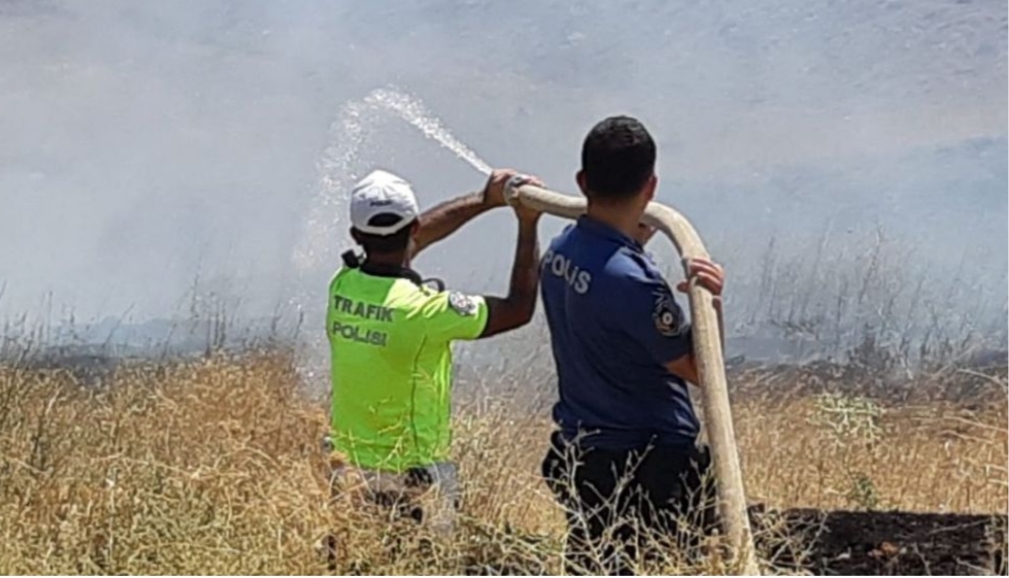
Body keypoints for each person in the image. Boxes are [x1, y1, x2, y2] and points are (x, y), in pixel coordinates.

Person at [538, 116, 727, 575]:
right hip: (649, 464)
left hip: (586, 457)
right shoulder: (636, 283)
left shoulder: (560, 252)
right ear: (651, 186)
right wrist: (712, 307)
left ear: (582, 181)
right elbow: (702, 374)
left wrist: (630, 242)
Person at [324, 167, 543, 539]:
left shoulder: (342, 287)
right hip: (413, 478)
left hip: (347, 473)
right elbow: (519, 308)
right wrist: (527, 223)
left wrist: (483, 201)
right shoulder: (427, 312)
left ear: (356, 236)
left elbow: (409, 239)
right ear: (412, 230)